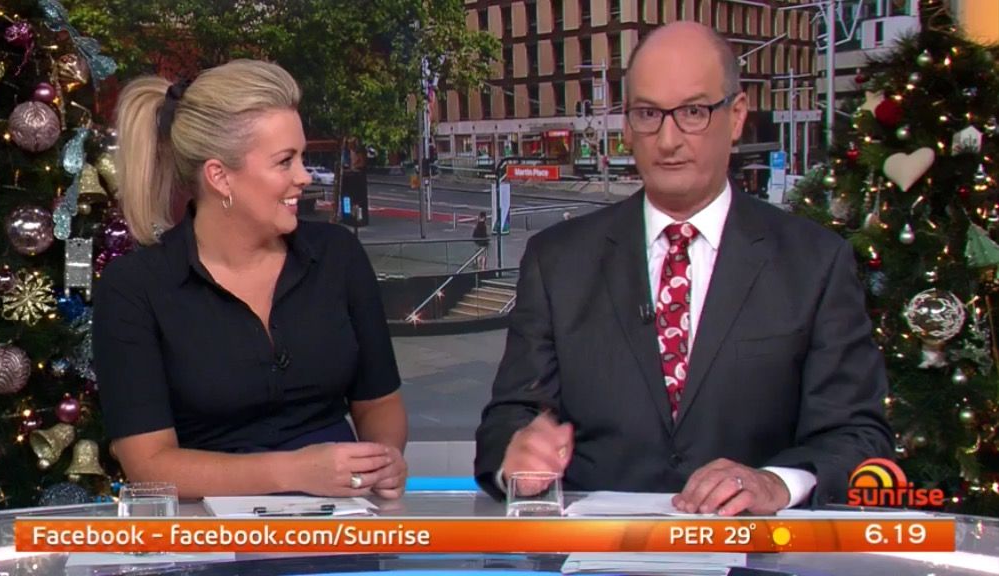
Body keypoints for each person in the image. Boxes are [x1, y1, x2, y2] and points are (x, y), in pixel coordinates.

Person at [474, 23, 892, 515]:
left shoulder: (814, 262)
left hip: (755, 547)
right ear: (627, 125)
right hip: (596, 549)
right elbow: (507, 420)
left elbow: (858, 436)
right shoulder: (558, 261)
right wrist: (517, 454)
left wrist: (777, 483)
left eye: (693, 112)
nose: (668, 140)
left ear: (736, 116)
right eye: (648, 114)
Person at [94, 60, 408, 499]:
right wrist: (295, 472)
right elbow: (150, 466)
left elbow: (379, 403)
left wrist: (384, 457)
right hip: (210, 530)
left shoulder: (339, 256)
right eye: (285, 162)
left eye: (302, 159)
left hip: (342, 522)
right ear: (219, 176)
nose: (304, 177)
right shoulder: (134, 287)